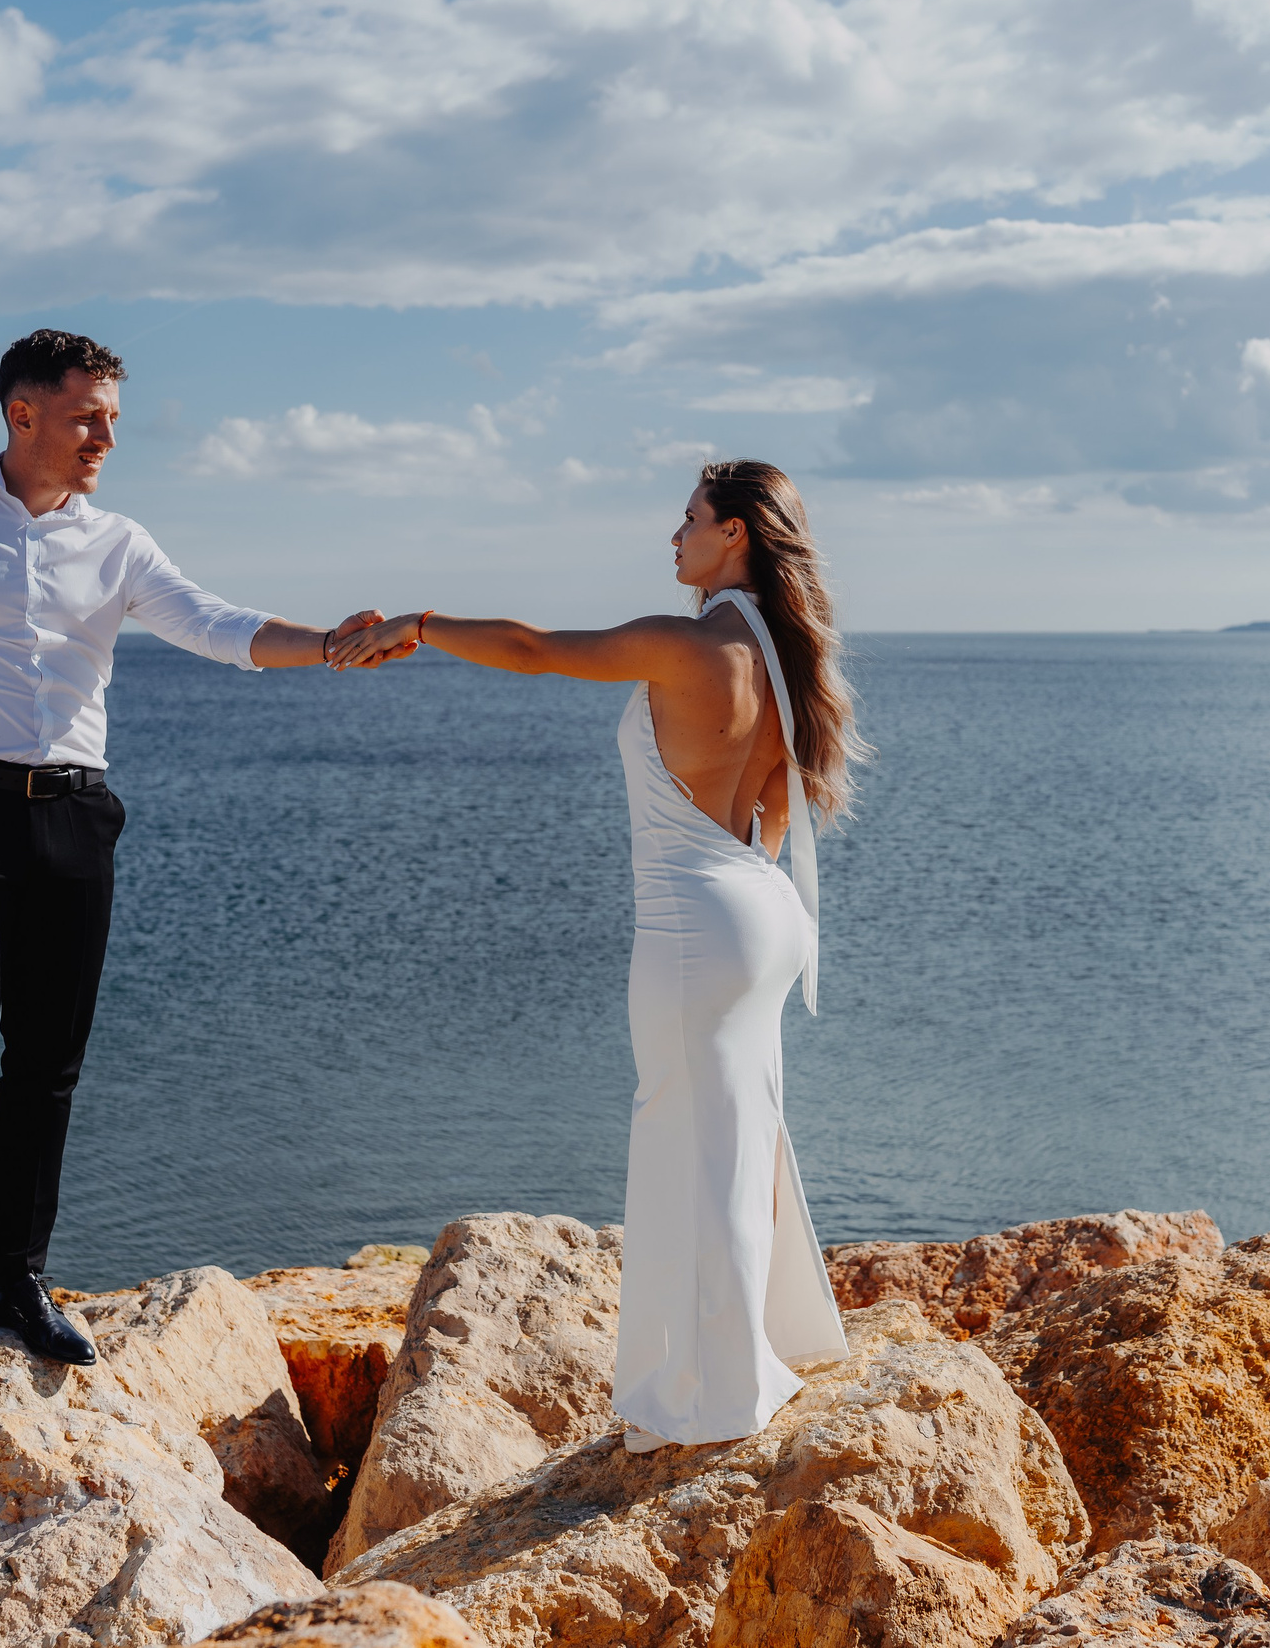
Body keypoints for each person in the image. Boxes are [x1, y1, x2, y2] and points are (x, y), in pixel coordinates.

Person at [0, 329, 376, 1412]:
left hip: (75, 817)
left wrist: (332, 643)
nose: (106, 438)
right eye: (87, 417)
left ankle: (12, 1277)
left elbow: (212, 623)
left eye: (113, 418)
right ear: (22, 414)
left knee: (50, 1062)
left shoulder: (118, 541)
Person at [330, 459, 867, 1449]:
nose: (674, 537)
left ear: (736, 534)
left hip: (696, 921)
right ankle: (770, 1340)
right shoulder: (786, 649)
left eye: (690, 520)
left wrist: (418, 623)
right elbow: (773, 803)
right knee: (741, 1133)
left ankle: (712, 1395)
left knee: (682, 1141)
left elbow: (534, 649)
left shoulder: (690, 641)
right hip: (765, 907)